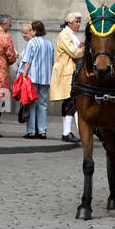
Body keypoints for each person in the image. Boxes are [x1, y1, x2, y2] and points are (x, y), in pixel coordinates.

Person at [51, 11, 84, 143]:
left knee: (71, 101)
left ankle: (68, 131)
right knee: (69, 101)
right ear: (69, 22)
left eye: (79, 21)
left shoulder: (70, 34)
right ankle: (66, 132)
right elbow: (74, 52)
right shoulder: (65, 34)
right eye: (77, 21)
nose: (79, 24)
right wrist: (84, 48)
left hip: (71, 70)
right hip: (67, 70)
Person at [19, 20, 54, 139]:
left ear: (34, 31)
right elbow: (52, 60)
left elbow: (27, 61)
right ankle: (42, 130)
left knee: (31, 103)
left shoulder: (32, 43)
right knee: (42, 105)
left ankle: (31, 131)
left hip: (33, 77)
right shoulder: (49, 44)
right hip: (46, 78)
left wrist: (24, 74)